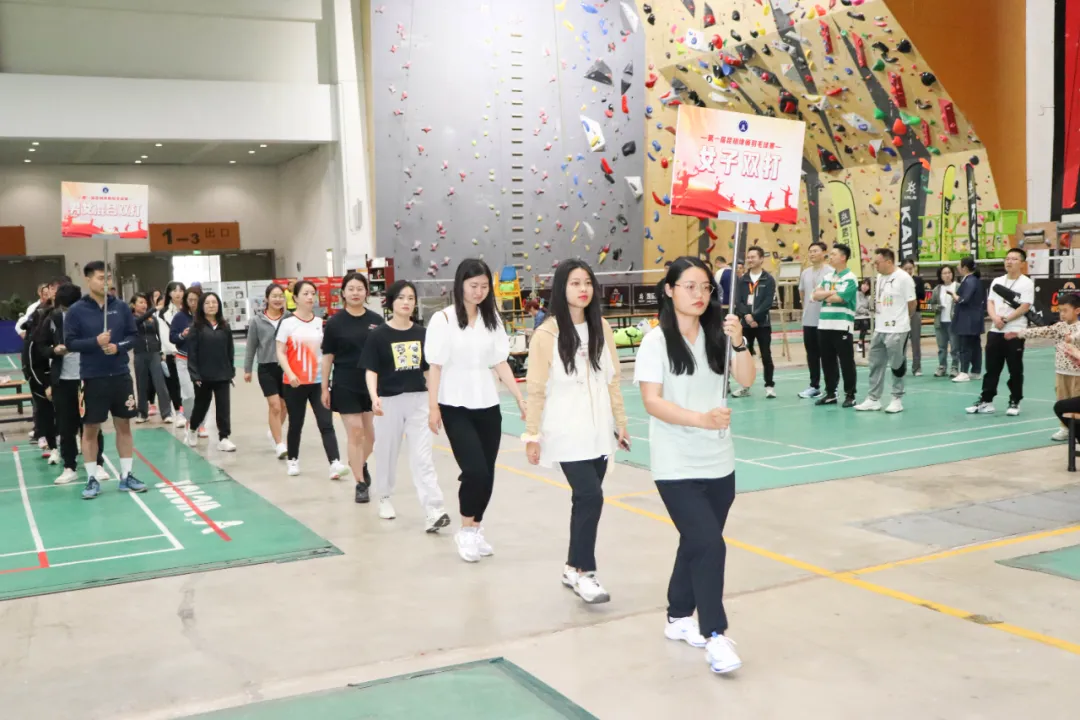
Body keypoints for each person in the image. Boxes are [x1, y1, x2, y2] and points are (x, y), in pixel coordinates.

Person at [634, 256, 754, 675]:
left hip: (719, 463)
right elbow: (652, 402)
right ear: (669, 290)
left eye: (705, 287)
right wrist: (700, 420)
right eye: (689, 286)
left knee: (696, 542)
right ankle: (715, 634)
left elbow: (747, 380)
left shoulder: (718, 334)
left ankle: (678, 615)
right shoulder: (655, 342)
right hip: (676, 464)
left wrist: (740, 343)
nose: (699, 294)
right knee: (710, 544)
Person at [523, 260, 629, 604]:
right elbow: (536, 389)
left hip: (598, 431)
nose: (583, 289)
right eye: (574, 283)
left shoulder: (602, 327)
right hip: (566, 431)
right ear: (561, 288)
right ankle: (585, 572)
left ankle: (571, 567)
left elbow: (612, 379)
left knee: (584, 500)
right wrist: (532, 435)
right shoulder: (546, 334)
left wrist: (620, 422)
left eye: (587, 282)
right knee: (590, 496)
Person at [426, 258, 526, 563]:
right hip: (454, 405)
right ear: (460, 285)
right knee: (474, 470)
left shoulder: (491, 319)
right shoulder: (443, 320)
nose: (479, 291)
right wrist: (433, 407)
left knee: (488, 473)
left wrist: (520, 398)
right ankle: (465, 530)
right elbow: (435, 366)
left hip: (487, 404)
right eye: (473, 285)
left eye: (484, 286)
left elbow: (500, 361)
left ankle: (476, 527)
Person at [360, 280, 448, 529]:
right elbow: (371, 370)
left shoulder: (422, 334)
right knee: (386, 452)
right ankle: (384, 497)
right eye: (401, 297)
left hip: (419, 401)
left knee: (423, 456)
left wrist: (435, 403)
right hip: (388, 402)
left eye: (410, 298)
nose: (406, 302)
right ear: (391, 302)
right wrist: (374, 396)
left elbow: (430, 370)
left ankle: (434, 510)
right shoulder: (378, 335)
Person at [64, 261, 146, 499]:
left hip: (120, 375)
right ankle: (91, 478)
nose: (106, 282)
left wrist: (118, 347)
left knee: (124, 426)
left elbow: (133, 336)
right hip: (92, 378)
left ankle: (127, 475)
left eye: (108, 278)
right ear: (88, 280)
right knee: (90, 429)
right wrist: (95, 343)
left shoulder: (120, 307)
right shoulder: (76, 311)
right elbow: (70, 343)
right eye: (101, 278)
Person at [276, 280, 348, 479]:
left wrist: (327, 377)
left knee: (326, 422)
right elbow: (280, 352)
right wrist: (290, 373)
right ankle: (293, 460)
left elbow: (325, 352)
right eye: (305, 293)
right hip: (295, 383)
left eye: (312, 293)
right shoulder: (287, 323)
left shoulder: (319, 323)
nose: (310, 297)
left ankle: (334, 463)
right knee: (296, 423)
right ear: (295, 297)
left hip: (317, 382)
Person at [322, 273, 383, 504]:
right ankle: (360, 483)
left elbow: (383, 354)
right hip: (345, 383)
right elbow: (328, 357)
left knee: (371, 437)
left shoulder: (377, 320)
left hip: (371, 384)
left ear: (366, 292)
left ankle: (359, 462)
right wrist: (324, 387)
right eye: (351, 289)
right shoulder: (335, 323)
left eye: (360, 288)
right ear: (343, 293)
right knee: (355, 431)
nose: (355, 293)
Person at [42, 283, 107, 485]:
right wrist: (54, 350)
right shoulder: (52, 319)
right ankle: (69, 467)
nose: (67, 311)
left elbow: (100, 344)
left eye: (70, 307)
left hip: (87, 378)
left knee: (92, 424)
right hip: (63, 381)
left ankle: (97, 464)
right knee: (65, 426)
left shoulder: (90, 318)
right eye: (64, 308)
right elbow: (40, 347)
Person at [966, 248, 1033, 416]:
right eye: (1007, 258)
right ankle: (986, 401)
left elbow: (1025, 306)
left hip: (1015, 331)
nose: (1009, 261)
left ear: (1022, 263)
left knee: (1014, 369)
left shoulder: (1026, 283)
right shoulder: (997, 281)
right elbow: (990, 302)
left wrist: (1006, 320)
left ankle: (1015, 401)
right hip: (995, 330)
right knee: (991, 369)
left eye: (1014, 259)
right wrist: (995, 319)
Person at [1006, 293, 1080, 440]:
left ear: (1077, 310)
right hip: (1061, 372)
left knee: (1075, 402)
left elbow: (1076, 336)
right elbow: (1042, 331)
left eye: (1065, 310)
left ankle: (1077, 431)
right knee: (1061, 400)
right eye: (1060, 310)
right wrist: (1020, 333)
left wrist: (1071, 338)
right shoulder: (1059, 326)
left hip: (1077, 374)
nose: (1062, 314)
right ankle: (1064, 428)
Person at [855, 248, 916, 414]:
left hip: (897, 329)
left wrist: (903, 319)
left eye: (877, 262)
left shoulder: (904, 278)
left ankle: (897, 398)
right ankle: (873, 399)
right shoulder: (880, 277)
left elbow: (912, 304)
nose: (875, 265)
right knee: (875, 363)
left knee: (897, 364)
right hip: (880, 328)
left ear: (888, 262)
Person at [185, 292, 236, 451]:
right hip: (203, 376)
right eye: (207, 303)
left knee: (223, 408)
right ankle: (193, 429)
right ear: (202, 306)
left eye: (214, 302)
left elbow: (230, 351)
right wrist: (195, 375)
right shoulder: (196, 328)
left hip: (222, 374)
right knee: (201, 406)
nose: (211, 305)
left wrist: (231, 371)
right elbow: (192, 354)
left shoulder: (225, 326)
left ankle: (224, 438)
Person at [244, 283, 290, 460]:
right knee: (275, 405)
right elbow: (251, 346)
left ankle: (273, 431)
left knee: (285, 406)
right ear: (266, 299)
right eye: (274, 296)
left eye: (280, 296)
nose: (278, 299)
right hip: (266, 368)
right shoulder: (257, 321)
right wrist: (248, 369)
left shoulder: (289, 318)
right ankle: (279, 444)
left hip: (286, 368)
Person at [813, 244, 859, 407]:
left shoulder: (851, 278)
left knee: (846, 361)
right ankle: (831, 393)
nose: (830, 257)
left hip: (842, 326)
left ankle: (850, 394)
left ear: (843, 257)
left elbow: (839, 298)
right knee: (827, 361)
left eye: (833, 254)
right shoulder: (827, 277)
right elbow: (815, 295)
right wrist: (831, 293)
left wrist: (826, 295)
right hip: (824, 325)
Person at [731, 246, 776, 398]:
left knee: (766, 355)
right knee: (745, 356)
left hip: (762, 324)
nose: (749, 260)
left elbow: (767, 302)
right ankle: (745, 386)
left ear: (761, 259)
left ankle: (769, 386)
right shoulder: (742, 280)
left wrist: (755, 317)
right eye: (748, 257)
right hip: (745, 324)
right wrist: (747, 316)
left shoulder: (768, 279)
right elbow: (739, 301)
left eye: (753, 257)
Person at [130, 293, 173, 425]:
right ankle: (142, 413)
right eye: (140, 302)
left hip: (154, 353)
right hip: (139, 354)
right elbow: (137, 322)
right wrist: (153, 309)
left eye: (145, 302)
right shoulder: (131, 318)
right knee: (141, 384)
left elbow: (158, 335)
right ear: (133, 305)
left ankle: (166, 413)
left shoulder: (152, 318)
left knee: (160, 383)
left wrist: (161, 351)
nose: (144, 305)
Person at [170, 287, 208, 439]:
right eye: (190, 300)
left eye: (195, 300)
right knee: (188, 395)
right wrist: (182, 335)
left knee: (203, 394)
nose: (192, 303)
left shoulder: (206, 316)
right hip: (183, 360)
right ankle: (190, 420)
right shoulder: (179, 317)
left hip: (202, 361)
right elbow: (172, 337)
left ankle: (201, 424)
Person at [25, 296, 58, 462]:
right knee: (46, 415)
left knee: (67, 415)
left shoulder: (59, 337)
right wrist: (45, 386)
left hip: (59, 380)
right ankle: (52, 447)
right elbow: (32, 367)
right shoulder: (33, 342)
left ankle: (73, 442)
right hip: (41, 384)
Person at [797, 242, 830, 399]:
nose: (812, 254)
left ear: (824, 252)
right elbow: (802, 293)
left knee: (827, 355)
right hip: (808, 320)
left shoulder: (831, 272)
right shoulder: (805, 273)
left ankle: (831, 387)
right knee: (812, 355)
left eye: (815, 251)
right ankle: (814, 386)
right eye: (810, 251)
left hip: (826, 320)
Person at [951, 257, 984, 383]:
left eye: (959, 265)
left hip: (967, 319)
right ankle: (976, 371)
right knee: (975, 346)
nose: (957, 267)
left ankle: (964, 372)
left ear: (964, 268)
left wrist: (954, 296)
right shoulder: (975, 280)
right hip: (974, 318)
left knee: (965, 346)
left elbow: (964, 299)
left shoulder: (970, 281)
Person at [159, 281, 187, 425]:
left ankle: (191, 412)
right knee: (174, 384)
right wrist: (171, 352)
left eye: (181, 290)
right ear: (169, 293)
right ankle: (179, 412)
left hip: (188, 354)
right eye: (175, 290)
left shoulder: (188, 311)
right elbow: (164, 335)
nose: (178, 293)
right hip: (172, 354)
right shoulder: (162, 313)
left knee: (188, 384)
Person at [929, 265, 960, 377]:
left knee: (955, 347)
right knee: (942, 347)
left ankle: (954, 368)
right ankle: (942, 367)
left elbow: (963, 301)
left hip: (954, 322)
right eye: (944, 273)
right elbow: (931, 304)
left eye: (949, 272)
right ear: (940, 275)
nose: (947, 275)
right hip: (940, 322)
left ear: (952, 274)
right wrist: (937, 307)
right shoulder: (937, 289)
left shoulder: (958, 287)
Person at [901, 258, 927, 376]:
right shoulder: (898, 280)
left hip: (915, 313)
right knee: (901, 342)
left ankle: (917, 368)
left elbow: (922, 296)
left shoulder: (918, 280)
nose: (908, 271)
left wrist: (912, 287)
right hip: (901, 314)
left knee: (915, 341)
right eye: (906, 269)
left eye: (910, 268)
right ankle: (901, 368)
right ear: (901, 269)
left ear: (914, 268)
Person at [854, 279, 873, 355]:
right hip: (856, 319)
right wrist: (867, 311)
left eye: (867, 285)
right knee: (865, 323)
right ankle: (860, 343)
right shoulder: (857, 294)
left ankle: (873, 342)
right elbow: (858, 309)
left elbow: (871, 308)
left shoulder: (867, 296)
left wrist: (870, 299)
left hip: (864, 317)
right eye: (864, 284)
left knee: (875, 322)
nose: (865, 286)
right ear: (860, 285)